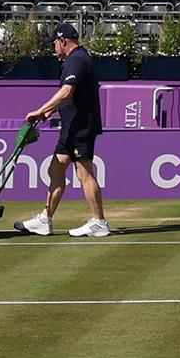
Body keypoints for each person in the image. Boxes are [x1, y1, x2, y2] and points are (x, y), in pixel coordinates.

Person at [17, 23, 109, 237]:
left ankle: (99, 222)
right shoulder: (76, 59)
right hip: (71, 127)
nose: (53, 47)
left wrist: (40, 110)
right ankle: (45, 219)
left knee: (84, 173)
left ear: (63, 40)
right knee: (55, 169)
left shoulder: (76, 60)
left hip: (81, 128)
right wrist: (50, 112)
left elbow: (67, 91)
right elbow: (71, 96)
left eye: (54, 43)